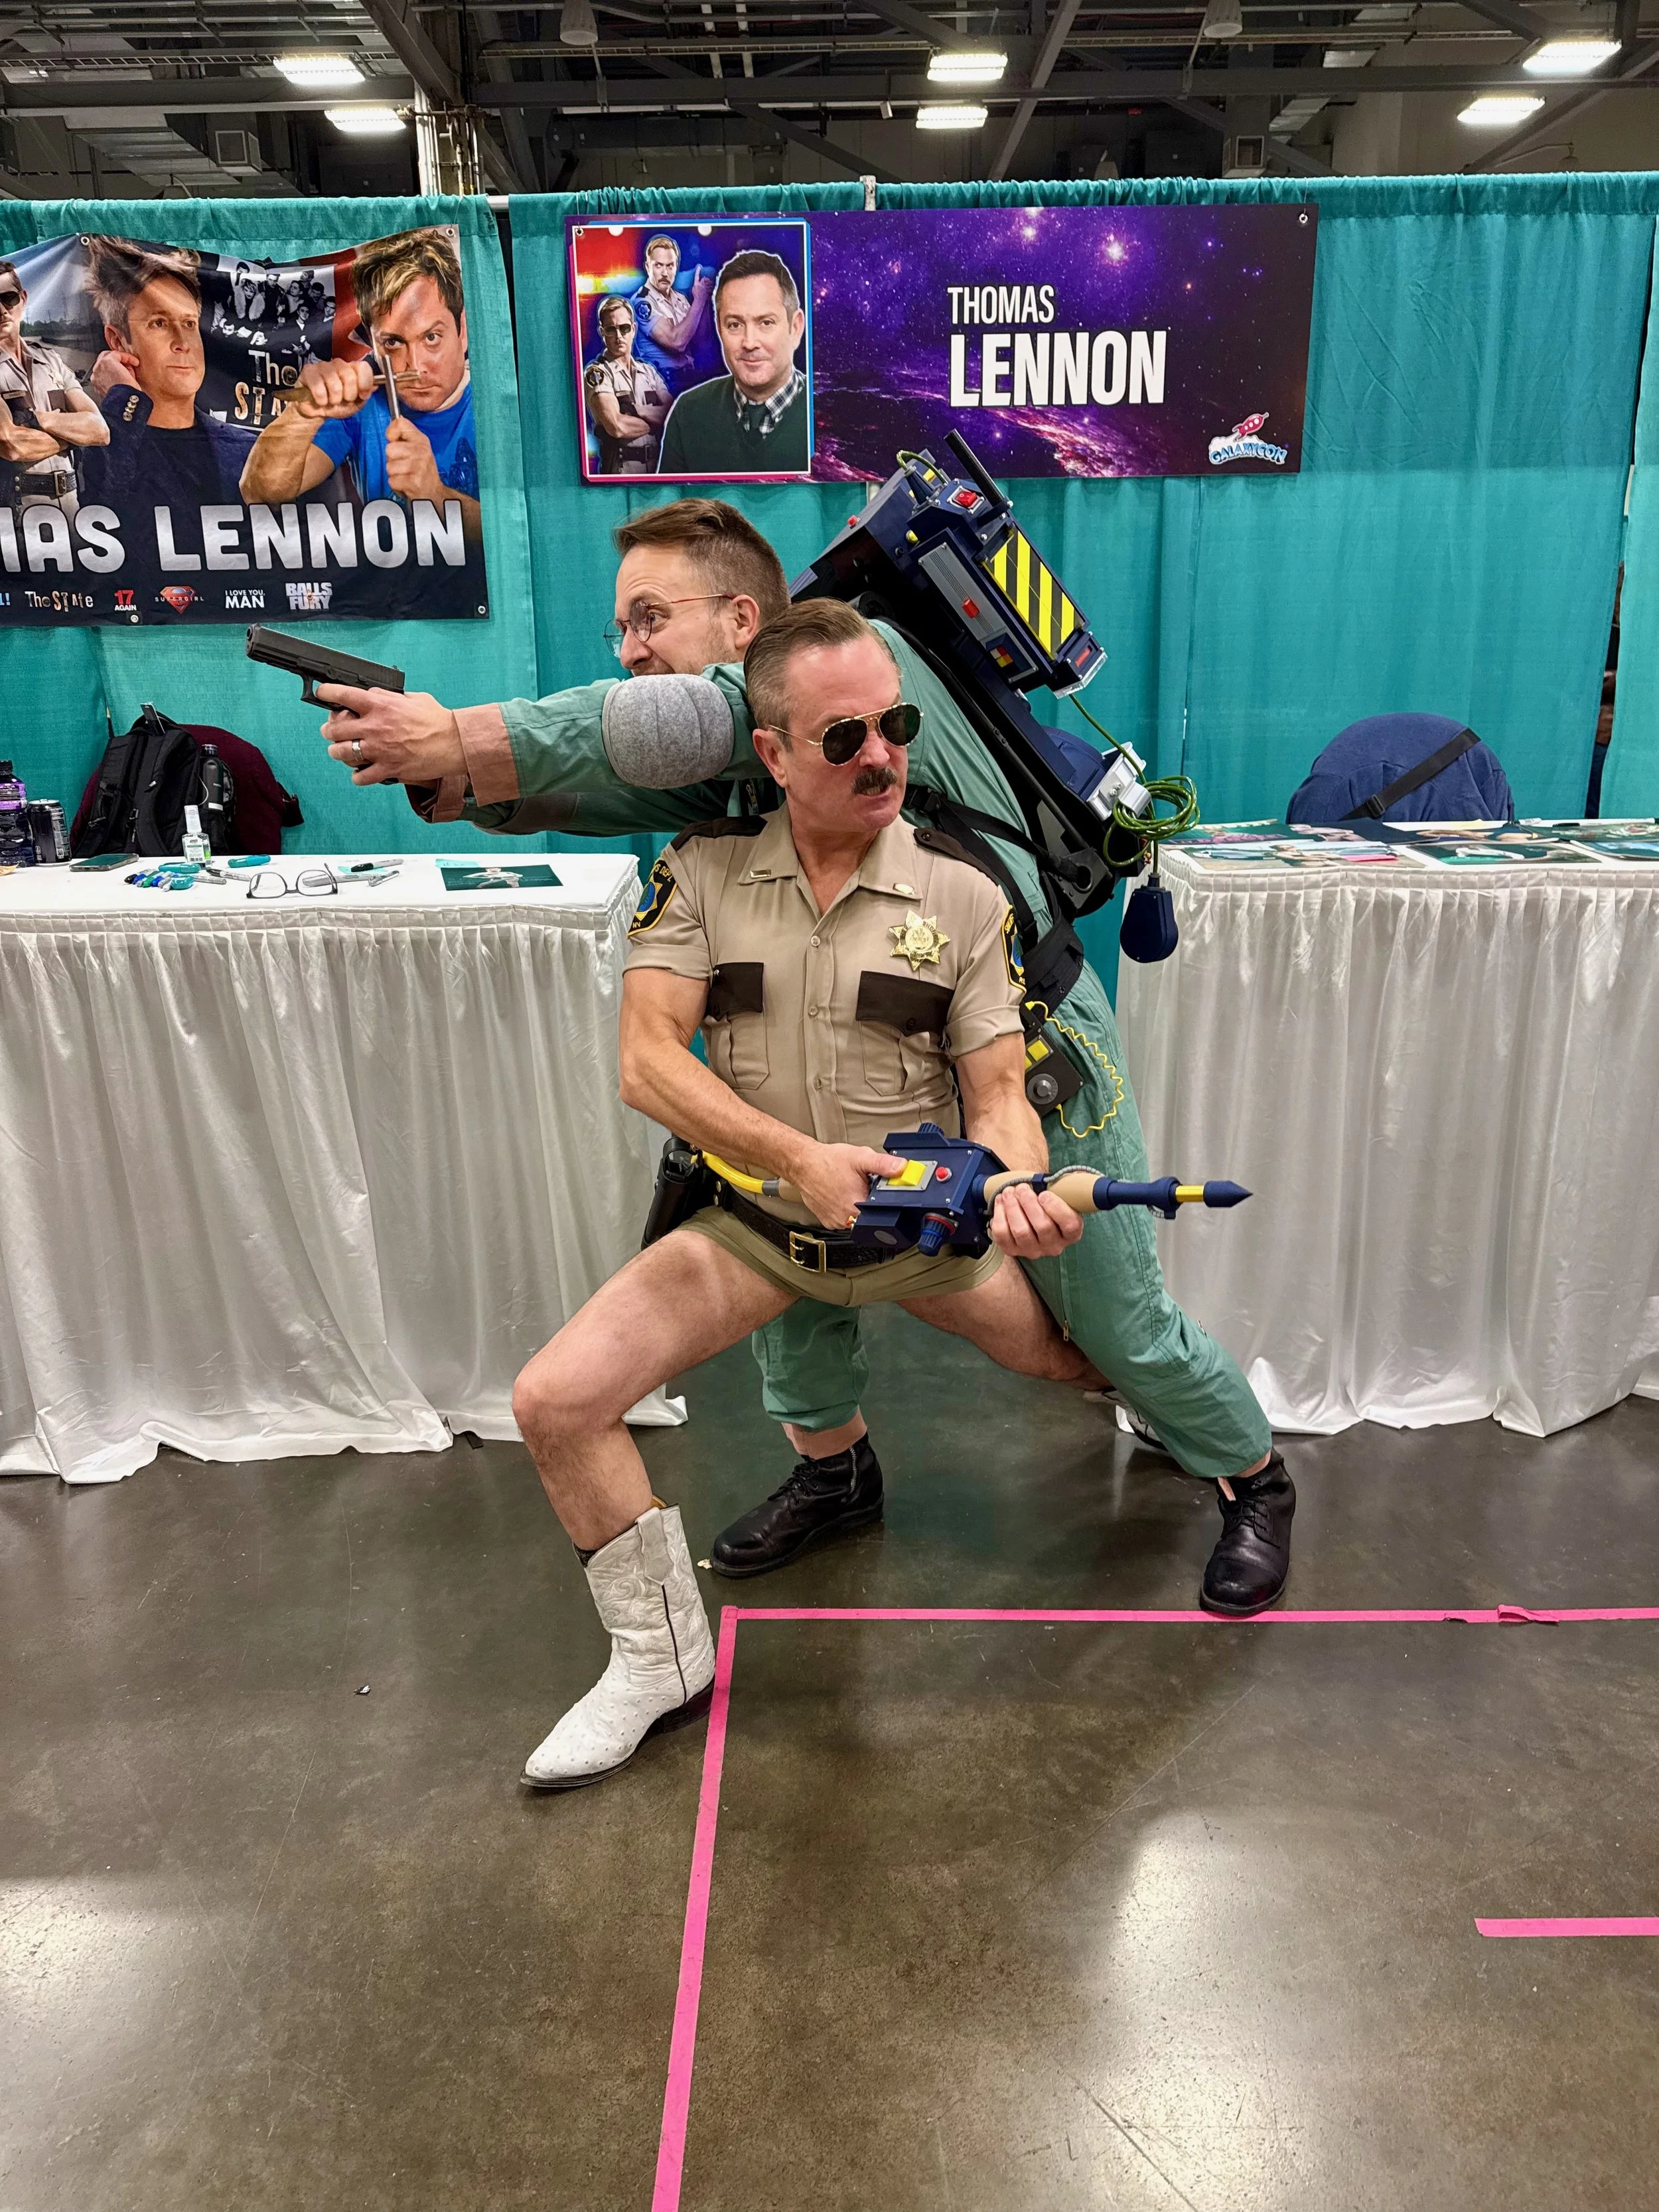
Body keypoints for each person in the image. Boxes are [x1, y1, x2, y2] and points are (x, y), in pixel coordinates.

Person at [311, 500, 1291, 1623]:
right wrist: (454, 775)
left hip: (1022, 1045)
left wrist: (463, 733)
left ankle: (1253, 1472)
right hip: (844, 1056)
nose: (630, 652)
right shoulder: (758, 756)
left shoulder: (847, 679)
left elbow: (652, 730)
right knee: (797, 1270)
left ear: (743, 622)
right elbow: (611, 779)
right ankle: (835, 1470)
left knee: (1116, 1320)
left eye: (650, 619)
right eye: (618, 631)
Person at [512, 601, 1112, 1787]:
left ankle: (1202, 1443)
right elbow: (647, 1062)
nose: (881, 755)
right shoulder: (698, 871)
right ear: (773, 754)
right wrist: (792, 1158)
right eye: (843, 738)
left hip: (919, 1232)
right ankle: (661, 1659)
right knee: (555, 1401)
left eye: (896, 726)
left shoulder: (964, 893)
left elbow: (999, 1092)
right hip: (762, 1231)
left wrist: (1018, 1185)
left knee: (1075, 1356)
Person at [238, 226, 479, 540]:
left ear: (462, 330)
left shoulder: (498, 397)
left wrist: (435, 495)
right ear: (372, 341)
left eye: (431, 337)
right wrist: (304, 414)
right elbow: (260, 494)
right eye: (393, 343)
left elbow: (526, 531)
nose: (416, 366)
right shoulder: (361, 395)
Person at [79, 238, 255, 515]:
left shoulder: (248, 449)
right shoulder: (91, 448)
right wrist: (123, 399)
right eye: (159, 323)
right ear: (117, 340)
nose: (182, 343)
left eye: (189, 323)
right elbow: (101, 509)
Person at [658, 251, 809, 477]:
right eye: (735, 325)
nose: (749, 343)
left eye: (766, 323)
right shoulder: (688, 413)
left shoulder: (828, 418)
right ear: (720, 330)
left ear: (795, 328)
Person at [0, 256, 109, 521]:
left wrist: (35, 420)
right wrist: (72, 437)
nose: (2, 310)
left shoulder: (51, 361)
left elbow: (100, 430)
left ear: (23, 299)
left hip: (71, 507)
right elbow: (12, 445)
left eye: (8, 298)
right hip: (16, 511)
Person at [582, 296, 672, 475]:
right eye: (611, 329)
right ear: (602, 332)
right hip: (621, 473)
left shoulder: (649, 372)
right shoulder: (597, 374)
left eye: (624, 328)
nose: (619, 336)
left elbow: (672, 413)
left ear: (634, 329)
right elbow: (617, 426)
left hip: (657, 472)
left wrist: (638, 410)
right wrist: (656, 423)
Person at [630, 234, 714, 379]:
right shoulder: (642, 302)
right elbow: (677, 342)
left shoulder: (680, 299)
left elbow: (702, 342)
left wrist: (704, 299)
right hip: (663, 382)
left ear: (676, 268)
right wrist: (699, 301)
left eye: (670, 266)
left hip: (690, 378)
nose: (665, 273)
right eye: (658, 265)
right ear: (648, 267)